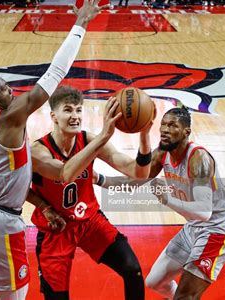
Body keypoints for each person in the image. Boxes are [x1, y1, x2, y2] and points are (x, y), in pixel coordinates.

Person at [0, 0, 108, 300]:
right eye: (3, 87)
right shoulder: (9, 118)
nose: (9, 87)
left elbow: (17, 180)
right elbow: (55, 73)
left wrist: (43, 206)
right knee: (18, 295)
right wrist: (80, 22)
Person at [27, 86, 154, 300]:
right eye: (68, 110)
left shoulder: (88, 140)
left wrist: (144, 135)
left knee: (132, 269)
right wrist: (44, 208)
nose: (75, 116)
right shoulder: (38, 151)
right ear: (53, 116)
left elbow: (138, 172)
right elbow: (64, 174)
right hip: (56, 230)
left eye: (78, 110)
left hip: (90, 221)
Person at [143, 107, 225, 299]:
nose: (165, 129)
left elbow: (204, 213)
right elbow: (134, 178)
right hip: (192, 228)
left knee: (185, 296)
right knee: (154, 281)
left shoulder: (198, 158)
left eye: (172, 125)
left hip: (216, 230)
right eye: (163, 124)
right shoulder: (162, 153)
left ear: (186, 131)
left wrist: (166, 198)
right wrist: (98, 178)